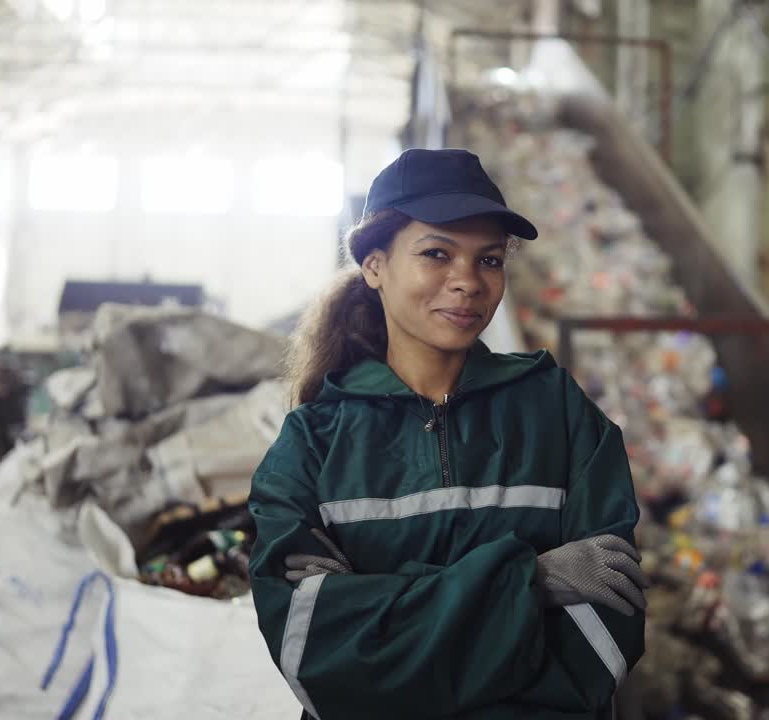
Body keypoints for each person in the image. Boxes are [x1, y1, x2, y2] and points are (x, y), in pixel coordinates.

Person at [248, 148, 648, 720]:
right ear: (375, 266)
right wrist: (529, 581)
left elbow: (602, 642)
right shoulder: (311, 445)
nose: (467, 282)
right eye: (437, 253)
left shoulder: (559, 414)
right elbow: (318, 657)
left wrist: (377, 607)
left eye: (488, 260)